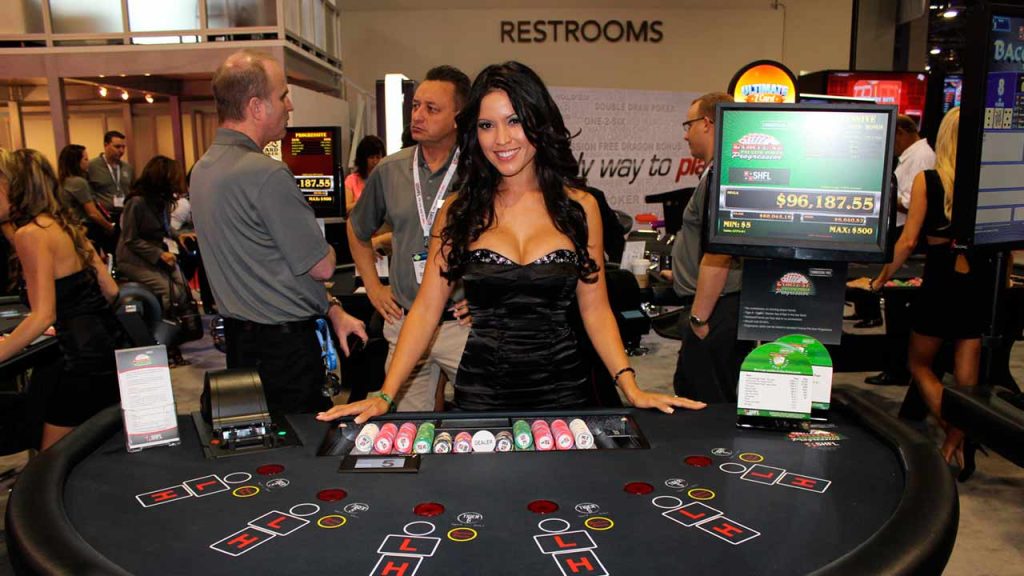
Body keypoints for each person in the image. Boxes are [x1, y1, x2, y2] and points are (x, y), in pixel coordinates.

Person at [318, 61, 705, 424]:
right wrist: (386, 395)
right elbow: (425, 309)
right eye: (486, 125)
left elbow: (595, 310)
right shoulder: (459, 210)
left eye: (514, 121)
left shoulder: (579, 208)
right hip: (482, 394)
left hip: (564, 392)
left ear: (538, 121)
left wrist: (629, 385)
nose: (500, 139)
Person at [190, 49, 366, 415]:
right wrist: (330, 248)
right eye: (282, 95)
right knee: (302, 453)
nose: (290, 105)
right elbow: (321, 266)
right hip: (284, 355)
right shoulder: (266, 174)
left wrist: (331, 309)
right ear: (256, 107)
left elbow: (268, 269)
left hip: (241, 346)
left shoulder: (203, 169)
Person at [849, 107, 989, 473]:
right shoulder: (986, 181)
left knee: (919, 364)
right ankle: (961, 439)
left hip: (941, 281)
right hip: (977, 281)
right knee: (966, 376)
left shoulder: (930, 179)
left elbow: (908, 241)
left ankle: (954, 434)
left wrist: (880, 278)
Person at [345, 65, 473, 412]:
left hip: (460, 325)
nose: (418, 115)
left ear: (459, 117)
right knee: (410, 427)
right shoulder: (390, 170)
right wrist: (373, 287)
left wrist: (484, 295)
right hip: (404, 321)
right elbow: (357, 231)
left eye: (432, 109)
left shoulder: (479, 172)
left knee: (489, 416)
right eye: (416, 106)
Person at [0, 149, 126, 450]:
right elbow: (111, 290)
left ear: (14, 186)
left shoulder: (31, 235)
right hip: (110, 347)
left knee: (50, 463)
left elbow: (43, 315)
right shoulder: (66, 226)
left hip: (81, 361)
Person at [670, 92, 752, 404]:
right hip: (718, 304)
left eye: (688, 124)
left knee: (706, 399)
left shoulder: (723, 175)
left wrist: (700, 319)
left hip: (715, 309)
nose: (685, 133)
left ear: (707, 123)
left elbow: (721, 251)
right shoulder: (718, 172)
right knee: (696, 388)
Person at [859, 114, 937, 385]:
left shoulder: (921, 158)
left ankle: (900, 369)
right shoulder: (911, 157)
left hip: (907, 234)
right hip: (902, 232)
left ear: (904, 132)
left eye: (894, 139)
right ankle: (897, 367)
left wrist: (889, 198)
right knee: (895, 307)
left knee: (899, 304)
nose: (892, 146)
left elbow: (914, 204)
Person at [115, 155, 190, 316]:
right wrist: (160, 254)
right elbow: (130, 239)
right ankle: (163, 326)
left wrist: (178, 235)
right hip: (132, 259)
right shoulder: (136, 202)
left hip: (156, 255)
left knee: (183, 289)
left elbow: (162, 225)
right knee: (172, 294)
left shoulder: (162, 200)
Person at [56, 144, 116, 251]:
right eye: (85, 159)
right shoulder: (78, 183)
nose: (88, 162)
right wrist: (109, 227)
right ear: (76, 162)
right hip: (86, 228)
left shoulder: (61, 182)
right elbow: (92, 213)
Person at [87, 131, 133, 256]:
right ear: (106, 145)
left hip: (124, 216)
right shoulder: (92, 166)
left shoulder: (127, 168)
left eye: (123, 147)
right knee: (109, 252)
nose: (121, 151)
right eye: (117, 147)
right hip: (104, 217)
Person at [345, 135, 386, 213]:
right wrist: (366, 201)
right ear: (363, 159)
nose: (375, 161)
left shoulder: (386, 179)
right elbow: (346, 209)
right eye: (371, 157)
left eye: (378, 157)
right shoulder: (351, 180)